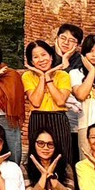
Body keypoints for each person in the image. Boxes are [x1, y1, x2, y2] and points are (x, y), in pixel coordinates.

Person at [21, 39, 75, 173]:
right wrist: (41, 77)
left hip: (58, 118)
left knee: (63, 157)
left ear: (51, 56)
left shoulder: (63, 75)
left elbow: (61, 101)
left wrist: (48, 77)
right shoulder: (27, 76)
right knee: (37, 157)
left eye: (44, 55)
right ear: (31, 62)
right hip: (37, 118)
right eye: (35, 57)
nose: (41, 59)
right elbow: (36, 102)